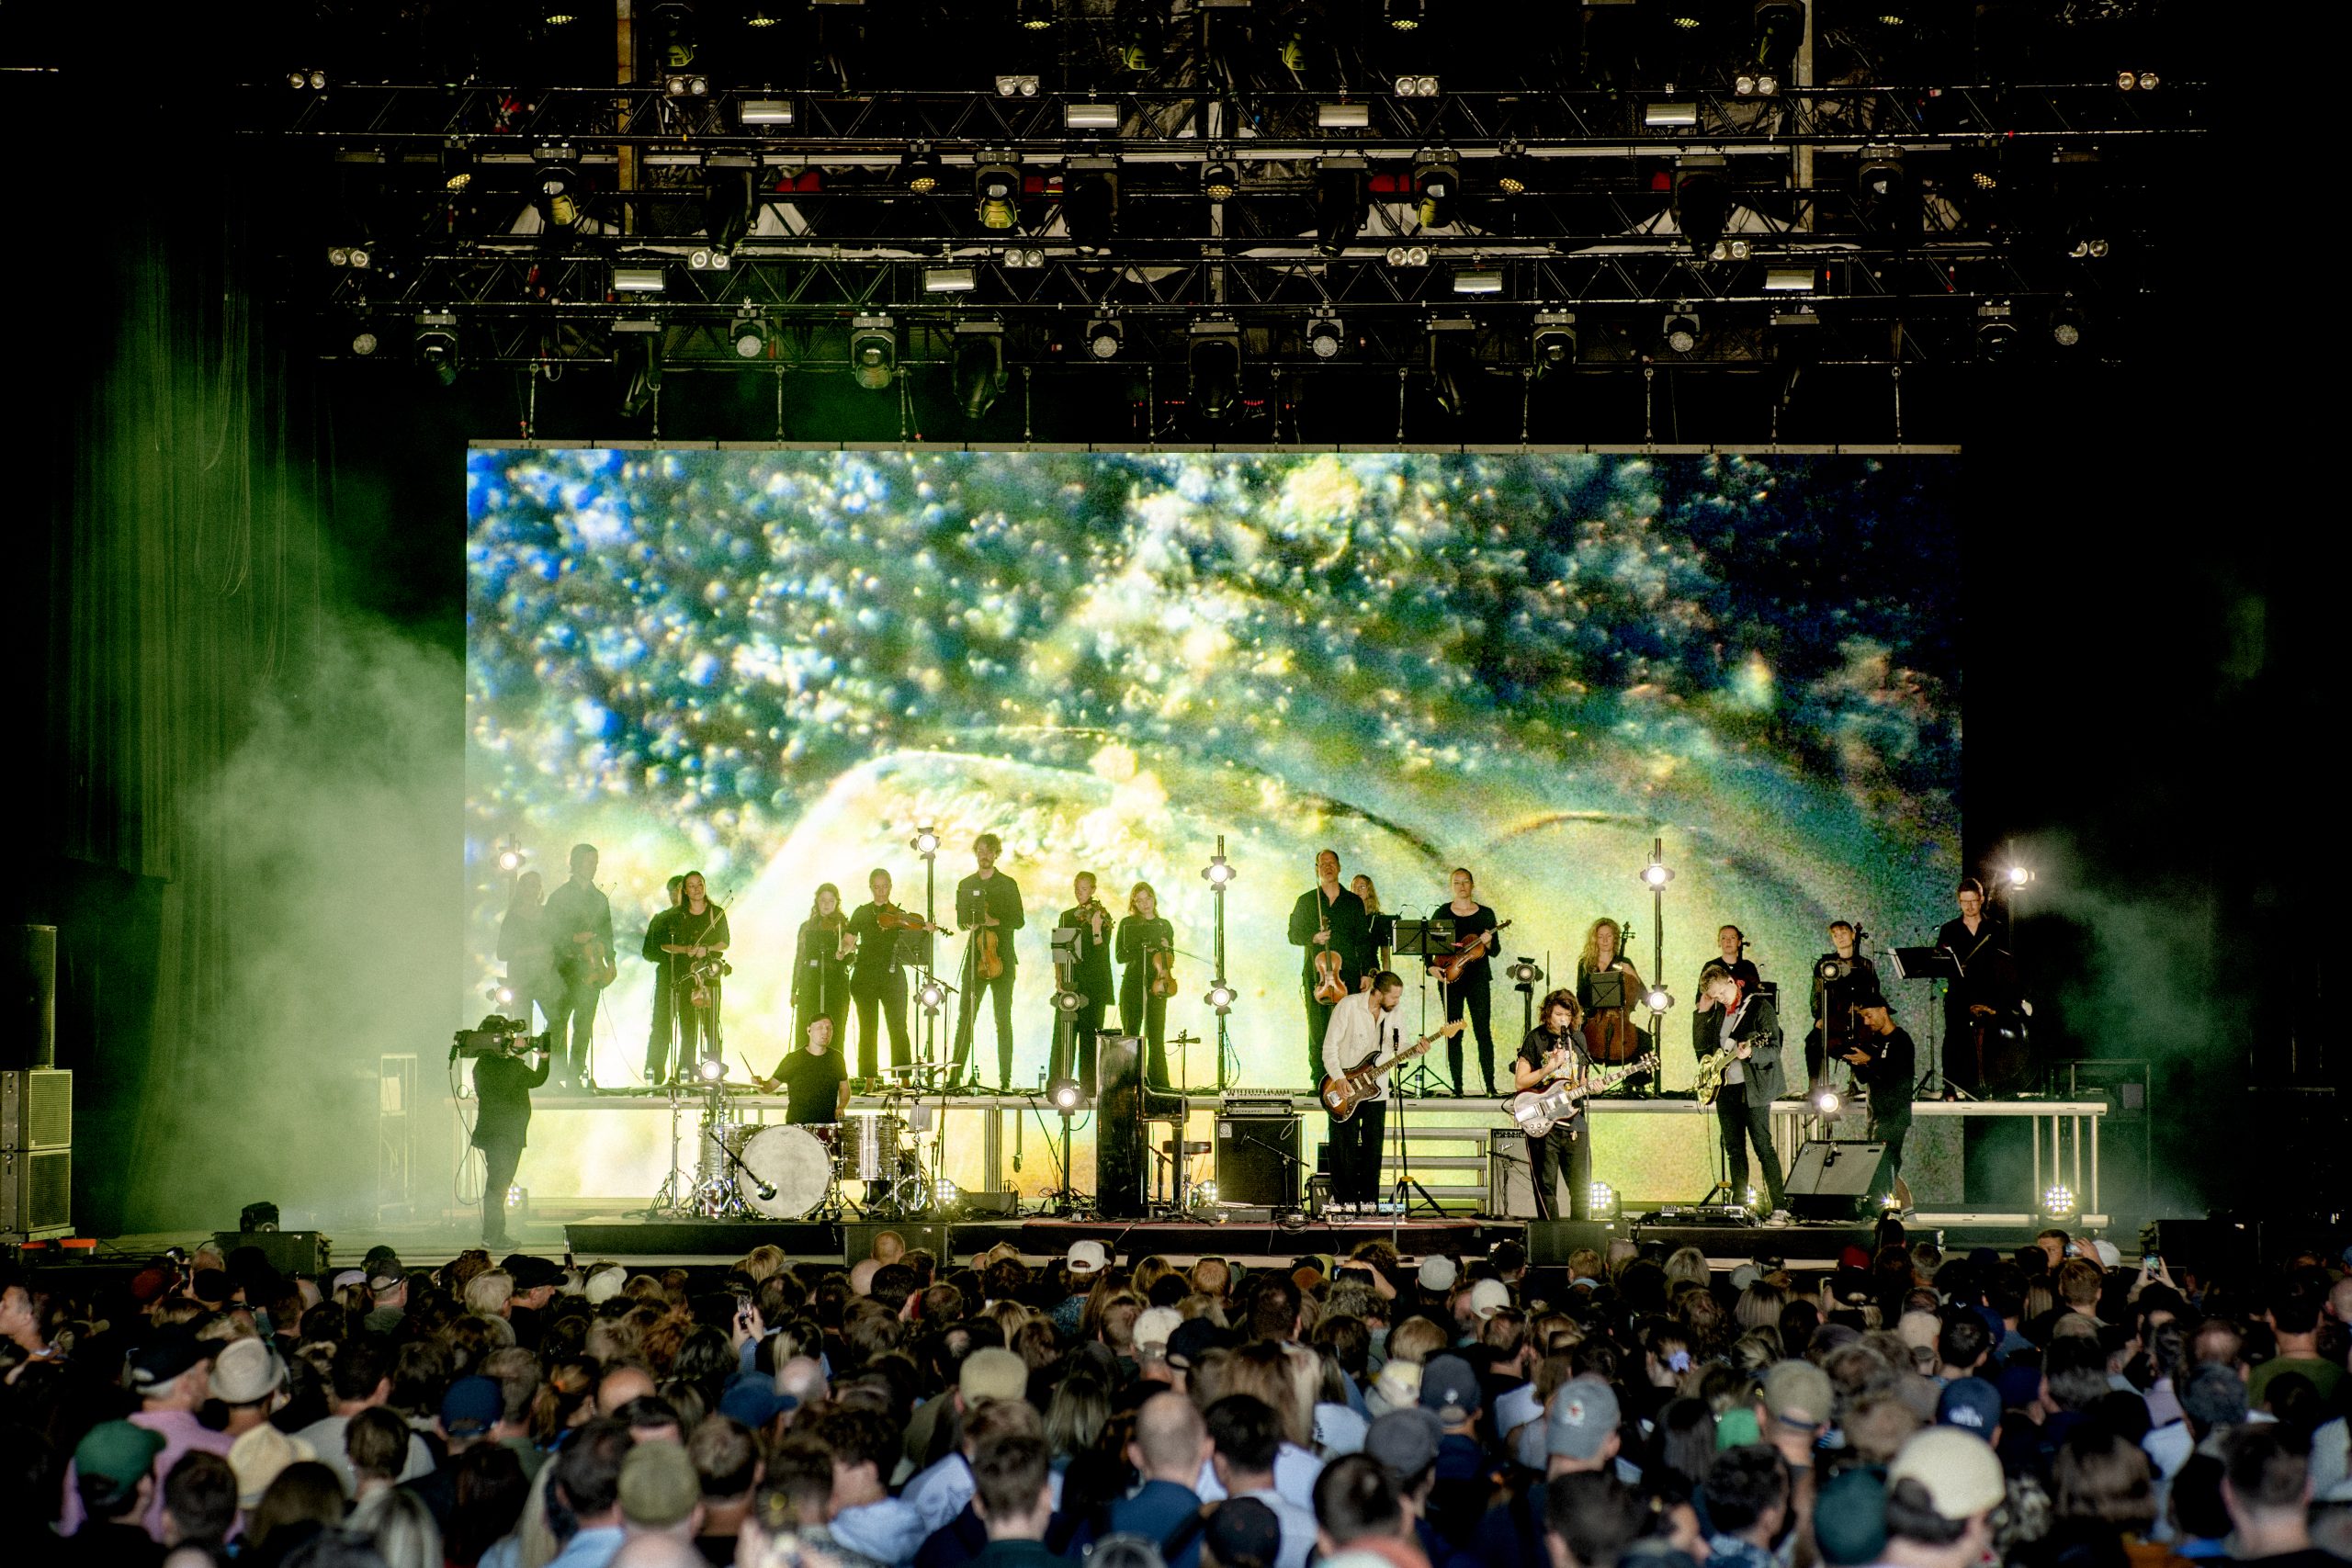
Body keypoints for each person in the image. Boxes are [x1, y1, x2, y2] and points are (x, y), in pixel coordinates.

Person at [1699, 966, 1788, 1219]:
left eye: (1722, 993)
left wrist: (1750, 1053)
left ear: (1731, 981)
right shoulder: (1719, 1013)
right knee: (1734, 1149)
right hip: (1726, 1090)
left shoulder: (1759, 1007)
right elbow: (1707, 1048)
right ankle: (1739, 1205)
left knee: (1762, 1146)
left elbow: (1772, 1049)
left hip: (1754, 1089)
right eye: (1715, 997)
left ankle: (1780, 1206)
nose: (1721, 999)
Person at [1288, 851, 1375, 1088]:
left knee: (1349, 1028)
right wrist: (1313, 937)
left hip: (1347, 975)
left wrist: (1368, 972)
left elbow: (1363, 940)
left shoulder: (1353, 902)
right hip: (1317, 977)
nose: (1327, 867)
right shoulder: (1306, 901)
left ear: (1339, 867)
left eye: (1332, 863)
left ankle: (1349, 1077)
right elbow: (1293, 935)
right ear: (1317, 869)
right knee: (1318, 1028)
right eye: (1322, 864)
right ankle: (1319, 1080)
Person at [951, 834, 1025, 1089]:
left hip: (1002, 957)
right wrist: (968, 922)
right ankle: (954, 1077)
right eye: (980, 850)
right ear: (976, 853)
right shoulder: (965, 884)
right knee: (965, 1016)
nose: (985, 854)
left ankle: (1005, 1080)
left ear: (996, 854)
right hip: (975, 957)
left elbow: (1019, 920)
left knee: (1003, 1018)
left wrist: (995, 922)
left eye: (989, 851)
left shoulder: (1007, 884)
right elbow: (961, 919)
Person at [1935, 879, 2018, 1095]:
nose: (1969, 907)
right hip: (1959, 993)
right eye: (1965, 902)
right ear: (1959, 902)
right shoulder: (1949, 930)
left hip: (1989, 992)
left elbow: (2005, 964)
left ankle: (1995, 1085)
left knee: (1995, 1036)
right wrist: (1954, 965)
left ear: (1981, 900)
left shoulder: (1995, 928)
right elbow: (1941, 964)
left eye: (1973, 901)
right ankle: (1951, 1086)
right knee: (1953, 1037)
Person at [1514, 989, 1591, 1221]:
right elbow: (1520, 1081)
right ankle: (1551, 1239)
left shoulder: (1579, 1039)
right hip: (1546, 1124)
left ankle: (1582, 1242)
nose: (1563, 1020)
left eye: (1567, 1016)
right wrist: (1548, 1068)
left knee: (1581, 1189)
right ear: (1548, 1013)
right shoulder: (1535, 1038)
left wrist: (1592, 1086)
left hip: (1575, 1122)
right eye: (1558, 1014)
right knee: (1546, 1188)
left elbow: (1583, 1078)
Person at [543, 843, 615, 1089]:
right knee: (558, 1021)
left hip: (591, 967)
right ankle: (553, 1076)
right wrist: (573, 939)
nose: (593, 867)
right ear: (575, 863)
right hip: (566, 967)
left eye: (595, 862)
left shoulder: (599, 898)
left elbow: (607, 933)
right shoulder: (560, 896)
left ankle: (575, 1075)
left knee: (584, 1024)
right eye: (588, 862)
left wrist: (611, 961)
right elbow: (549, 932)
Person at [472, 1032, 551, 1250]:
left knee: (500, 1185)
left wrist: (544, 1059)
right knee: (497, 1187)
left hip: (510, 1136)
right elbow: (502, 1088)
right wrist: (517, 1057)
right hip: (498, 1135)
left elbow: (535, 1080)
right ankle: (492, 1236)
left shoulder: (507, 1064)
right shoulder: (486, 1064)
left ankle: (495, 1234)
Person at [1428, 867, 1499, 1098]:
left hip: (1478, 979)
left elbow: (1495, 951)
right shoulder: (1441, 913)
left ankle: (1490, 1086)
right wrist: (1430, 968)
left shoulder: (1486, 914)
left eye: (1465, 882)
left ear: (1472, 885)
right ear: (1452, 886)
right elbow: (1428, 949)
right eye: (1457, 882)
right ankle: (1457, 1087)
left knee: (1482, 1031)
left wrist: (1488, 943)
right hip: (1450, 978)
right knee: (1453, 1032)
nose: (1461, 886)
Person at [1841, 991, 1916, 1207]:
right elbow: (1866, 1078)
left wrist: (1869, 1060)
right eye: (1863, 1017)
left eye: (1869, 1015)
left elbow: (1897, 1074)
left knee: (1886, 1167)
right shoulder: (1873, 1041)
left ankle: (1885, 1210)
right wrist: (1856, 1061)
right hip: (1875, 1114)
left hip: (1894, 1115)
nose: (1867, 1021)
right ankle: (1895, 1210)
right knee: (1879, 1167)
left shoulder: (1901, 1040)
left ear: (1883, 1011)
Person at [845, 869, 920, 1079]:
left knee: (898, 1026)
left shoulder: (899, 914)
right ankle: (868, 1078)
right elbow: (849, 939)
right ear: (870, 888)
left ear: (891, 886)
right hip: (864, 976)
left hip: (892, 975)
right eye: (876, 887)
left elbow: (915, 939)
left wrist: (926, 928)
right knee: (868, 1028)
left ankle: (903, 1077)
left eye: (885, 886)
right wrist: (842, 950)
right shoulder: (861, 912)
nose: (881, 892)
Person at [658, 873, 730, 1078]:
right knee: (688, 1025)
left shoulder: (716, 912)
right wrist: (684, 950)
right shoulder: (677, 916)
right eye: (692, 886)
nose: (697, 889)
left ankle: (713, 1072)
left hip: (710, 974)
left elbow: (724, 942)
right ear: (685, 891)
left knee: (710, 1025)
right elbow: (664, 945)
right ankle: (686, 1070)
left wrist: (705, 949)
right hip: (687, 976)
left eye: (700, 884)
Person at [1054, 873, 1116, 1097]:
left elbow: (1102, 950)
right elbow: (1059, 952)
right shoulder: (1066, 916)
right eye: (1076, 888)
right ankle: (1058, 1084)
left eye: (1084, 888)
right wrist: (1059, 980)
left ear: (1092, 889)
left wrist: (1096, 928)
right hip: (1072, 983)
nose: (1079, 892)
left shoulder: (1103, 915)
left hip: (1095, 984)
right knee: (1064, 1033)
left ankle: (1090, 1088)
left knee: (1091, 1037)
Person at [1115, 882, 1176, 1089]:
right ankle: (1130, 1084)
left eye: (1148, 898)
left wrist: (1165, 948)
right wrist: (1144, 949)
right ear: (1134, 903)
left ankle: (1159, 1085)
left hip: (1158, 984)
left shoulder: (1164, 925)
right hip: (1133, 983)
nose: (1145, 904)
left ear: (1154, 898)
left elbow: (1170, 956)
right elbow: (1119, 956)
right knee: (1131, 1034)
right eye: (1139, 900)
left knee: (1156, 1036)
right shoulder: (1127, 924)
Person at [1807, 920, 1880, 1092]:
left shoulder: (1865, 964)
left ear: (1853, 935)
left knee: (1865, 1041)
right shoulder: (1826, 964)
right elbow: (1816, 993)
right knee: (1813, 1041)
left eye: (1844, 933)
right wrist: (1819, 1016)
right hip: (1833, 1018)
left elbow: (1874, 993)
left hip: (1859, 1017)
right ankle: (1814, 1087)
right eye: (1835, 935)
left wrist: (1862, 1010)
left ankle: (1867, 1082)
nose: (1840, 937)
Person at [789, 882, 852, 1069]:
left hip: (836, 980)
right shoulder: (807, 927)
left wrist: (844, 954)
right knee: (806, 1024)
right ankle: (803, 1070)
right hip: (811, 979)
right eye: (823, 900)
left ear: (837, 902)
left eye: (831, 901)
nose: (826, 904)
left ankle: (833, 1071)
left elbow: (852, 956)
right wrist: (794, 989)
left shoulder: (845, 926)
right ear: (817, 901)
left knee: (835, 1025)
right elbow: (800, 958)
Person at [1574, 919, 1648, 1068]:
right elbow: (1580, 994)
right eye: (1600, 936)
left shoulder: (1625, 962)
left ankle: (1633, 1085)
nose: (1605, 940)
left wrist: (1632, 973)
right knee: (1575, 1042)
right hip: (1593, 1019)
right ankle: (1580, 1086)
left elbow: (1644, 995)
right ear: (1595, 939)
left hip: (1620, 1020)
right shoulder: (1585, 964)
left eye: (1608, 936)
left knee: (1645, 1041)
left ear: (1615, 938)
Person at [638, 875, 688, 1085]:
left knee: (690, 1027)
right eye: (671, 891)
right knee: (661, 1026)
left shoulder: (699, 917)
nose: (674, 895)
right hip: (668, 977)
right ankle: (654, 1073)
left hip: (692, 979)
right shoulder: (661, 919)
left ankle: (688, 1071)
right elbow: (648, 951)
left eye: (678, 889)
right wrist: (671, 953)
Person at [497, 872, 558, 1036]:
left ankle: (548, 1060)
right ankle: (524, 1061)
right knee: (523, 1030)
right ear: (522, 889)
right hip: (521, 980)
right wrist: (532, 951)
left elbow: (556, 942)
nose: (535, 888)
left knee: (557, 1021)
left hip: (545, 978)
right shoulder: (513, 918)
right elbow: (502, 952)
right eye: (531, 884)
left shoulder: (547, 914)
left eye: (538, 884)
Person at [759, 1016, 849, 1127]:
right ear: (809, 1030)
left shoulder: (836, 1057)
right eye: (819, 1027)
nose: (825, 1032)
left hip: (828, 1126)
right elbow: (769, 1087)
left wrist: (841, 1107)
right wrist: (758, 1084)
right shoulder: (793, 1059)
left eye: (829, 1028)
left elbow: (844, 1088)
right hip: (798, 1127)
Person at [1691, 924, 1761, 1064]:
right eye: (1724, 938)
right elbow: (1701, 1000)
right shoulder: (1711, 966)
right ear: (1719, 942)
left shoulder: (1748, 967)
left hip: (1744, 1021)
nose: (1728, 941)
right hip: (1718, 1022)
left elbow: (1756, 997)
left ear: (1739, 942)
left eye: (1732, 937)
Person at [1353, 874, 1394, 973]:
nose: (1358, 890)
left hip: (1372, 970)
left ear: (1369, 890)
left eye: (1362, 887)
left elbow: (1385, 955)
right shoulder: (1347, 917)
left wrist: (1386, 978)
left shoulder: (1379, 920)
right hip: (1350, 970)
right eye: (1355, 887)